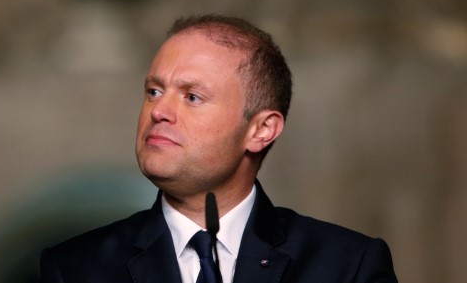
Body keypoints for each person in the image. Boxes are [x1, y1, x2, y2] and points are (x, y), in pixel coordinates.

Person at [39, 14, 397, 283]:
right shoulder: (74, 269)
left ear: (261, 130)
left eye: (192, 97)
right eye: (154, 91)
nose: (159, 112)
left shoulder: (348, 267)